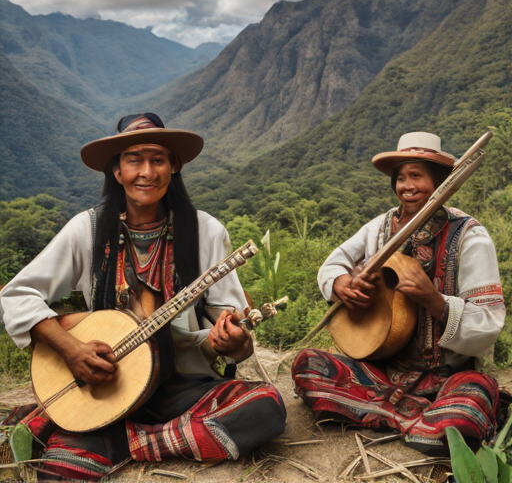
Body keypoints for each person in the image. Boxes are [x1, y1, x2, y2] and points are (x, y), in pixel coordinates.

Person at [0, 113, 286, 480]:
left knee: (266, 408)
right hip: (109, 386)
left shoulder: (206, 231)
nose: (146, 172)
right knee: (58, 473)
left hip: (185, 388)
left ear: (173, 168)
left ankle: (125, 443)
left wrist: (235, 341)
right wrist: (72, 349)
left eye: (158, 160)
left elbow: (235, 334)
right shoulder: (85, 230)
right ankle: (160, 438)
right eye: (133, 160)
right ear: (117, 172)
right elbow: (17, 295)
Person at [292, 132, 506, 454]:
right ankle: (418, 421)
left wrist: (433, 300)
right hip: (382, 370)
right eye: (401, 177)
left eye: (417, 176)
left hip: (447, 378)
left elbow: (489, 323)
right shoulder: (379, 227)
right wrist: (340, 284)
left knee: (471, 398)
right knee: (308, 365)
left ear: (438, 182)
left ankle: (385, 412)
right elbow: (333, 263)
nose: (407, 186)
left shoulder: (470, 235)